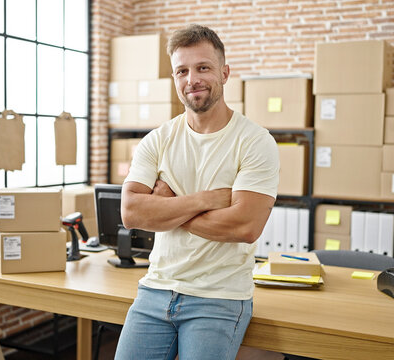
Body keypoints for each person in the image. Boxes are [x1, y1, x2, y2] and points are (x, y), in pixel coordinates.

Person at [114, 24, 280, 360]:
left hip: (219, 297)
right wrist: (203, 200)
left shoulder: (255, 142)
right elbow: (132, 213)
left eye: (203, 67)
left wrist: (169, 208)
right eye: (182, 71)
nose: (193, 79)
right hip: (156, 289)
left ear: (224, 72)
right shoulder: (158, 140)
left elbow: (244, 228)